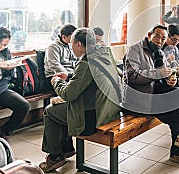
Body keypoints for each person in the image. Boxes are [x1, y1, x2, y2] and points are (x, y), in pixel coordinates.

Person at [39, 28, 121, 172]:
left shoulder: (87, 62)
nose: (70, 47)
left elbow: (68, 94)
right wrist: (69, 78)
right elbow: (89, 80)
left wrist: (56, 81)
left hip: (93, 118)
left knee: (50, 111)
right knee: (62, 107)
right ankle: (66, 148)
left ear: (78, 44)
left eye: (71, 44)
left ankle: (55, 156)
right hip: (110, 109)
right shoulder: (105, 54)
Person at [123, 24, 179, 167]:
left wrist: (168, 81)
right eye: (157, 36)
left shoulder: (159, 53)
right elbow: (132, 76)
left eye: (163, 38)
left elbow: (160, 77)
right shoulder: (135, 50)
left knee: (178, 95)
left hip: (153, 95)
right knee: (177, 110)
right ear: (149, 35)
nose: (160, 41)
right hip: (137, 100)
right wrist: (159, 74)